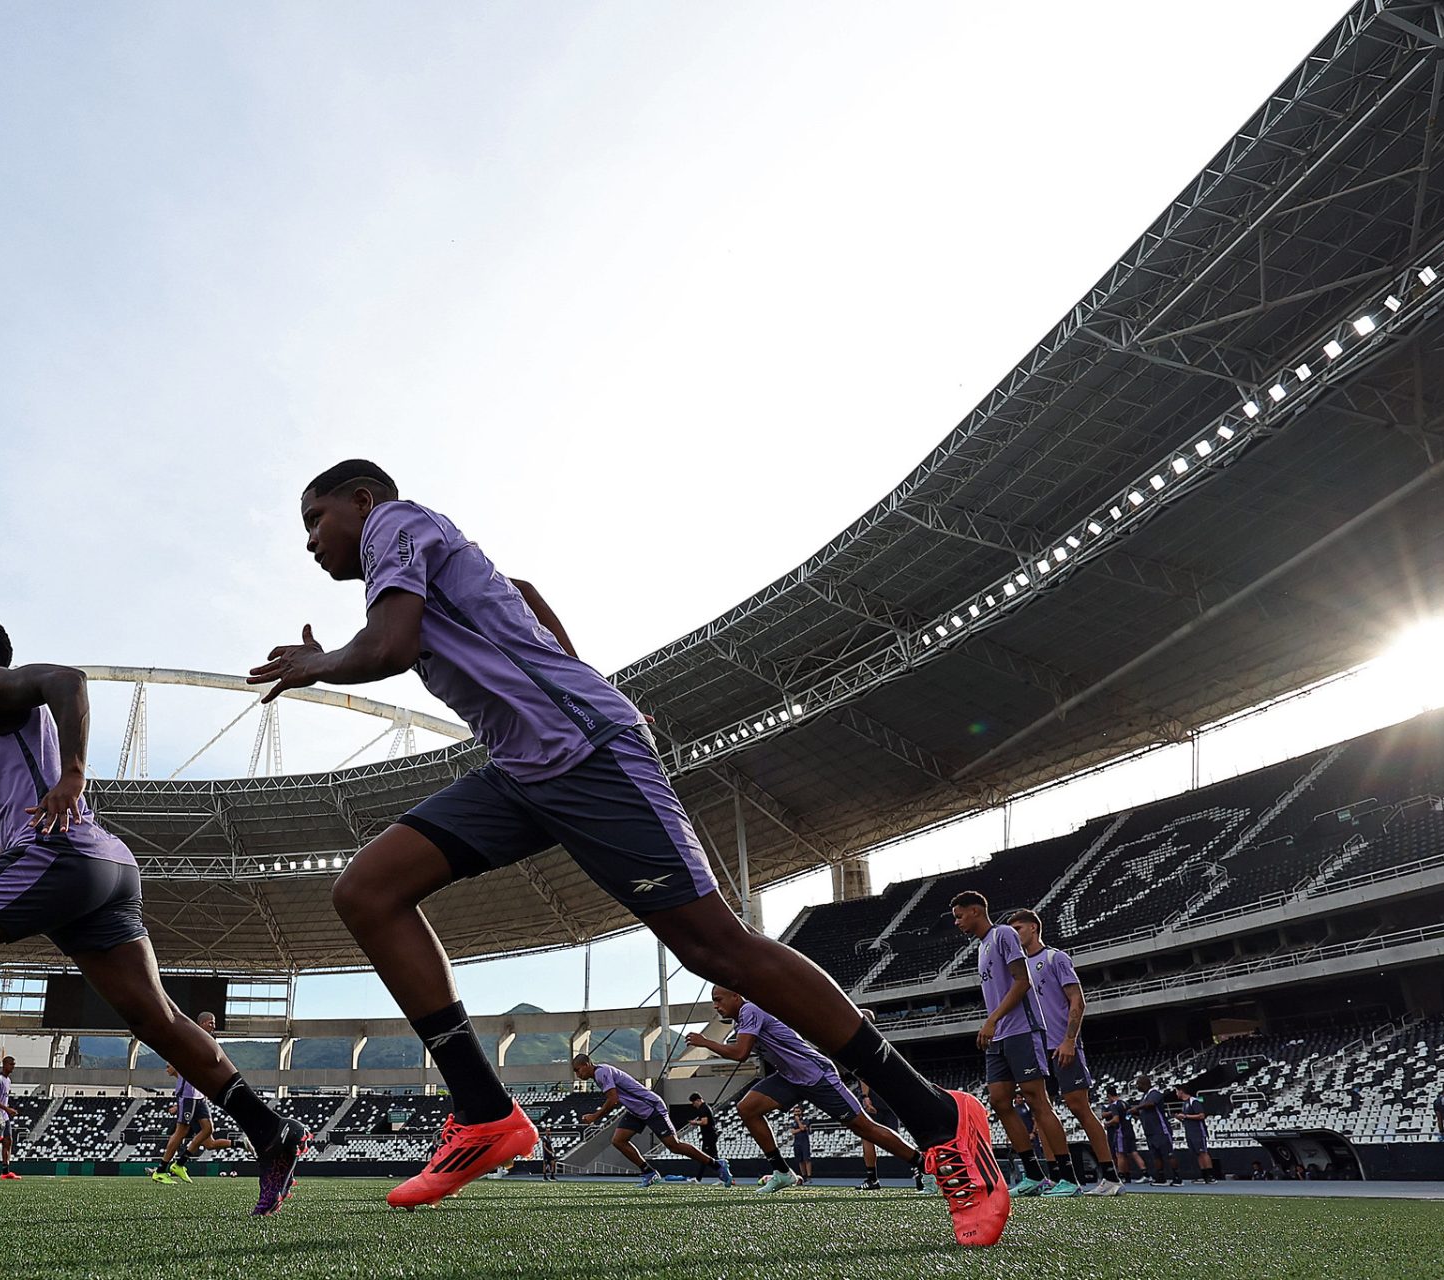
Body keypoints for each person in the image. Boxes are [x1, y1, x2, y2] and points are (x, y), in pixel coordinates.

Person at [254, 463, 1007, 1244]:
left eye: (315, 519)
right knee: (367, 892)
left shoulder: (396, 525)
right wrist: (570, 673)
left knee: (720, 950)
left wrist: (322, 664)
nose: (310, 541)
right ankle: (484, 1112)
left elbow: (391, 643)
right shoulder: (417, 549)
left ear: (362, 501)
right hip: (523, 766)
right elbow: (523, 590)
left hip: (585, 758)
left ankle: (939, 1117)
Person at [0, 615, 305, 1215]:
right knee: (159, 1020)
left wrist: (75, 773)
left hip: (57, 856)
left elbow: (69, 680)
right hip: (100, 865)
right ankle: (271, 1131)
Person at [686, 987, 924, 1195]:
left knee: (864, 1127)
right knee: (747, 1108)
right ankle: (781, 1172)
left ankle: (924, 1164)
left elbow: (740, 1053)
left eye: (719, 999)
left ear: (736, 997)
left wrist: (705, 1042)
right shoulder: (742, 1020)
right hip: (790, 1078)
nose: (716, 1006)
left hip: (815, 1075)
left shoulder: (749, 1011)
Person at [949, 891, 1074, 1198]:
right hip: (1000, 1035)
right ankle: (1033, 1175)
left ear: (976, 911)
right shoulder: (981, 948)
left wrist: (992, 1019)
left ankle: (1068, 1177)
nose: (957, 922)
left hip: (1021, 1030)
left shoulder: (1003, 934)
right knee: (999, 1100)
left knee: (1036, 1099)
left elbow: (1022, 980)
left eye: (960, 915)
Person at [1006, 908, 1120, 1195]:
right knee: (1041, 1111)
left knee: (1079, 1107)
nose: (1015, 934)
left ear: (1033, 928)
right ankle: (1056, 1177)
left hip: (1061, 1044)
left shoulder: (1056, 958)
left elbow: (1077, 1001)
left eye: (1018, 928)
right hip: (1034, 1047)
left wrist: (1069, 1041)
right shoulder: (1016, 969)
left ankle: (1110, 1177)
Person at [573, 1055, 731, 1187]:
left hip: (651, 1107)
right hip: (636, 1110)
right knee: (618, 1140)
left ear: (586, 1065)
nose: (577, 1075)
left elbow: (613, 1099)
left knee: (673, 1145)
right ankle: (649, 1172)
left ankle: (717, 1165)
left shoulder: (602, 1072)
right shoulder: (600, 1074)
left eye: (577, 1070)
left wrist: (595, 1116)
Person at [152, 1061, 234, 1183]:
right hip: (188, 1095)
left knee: (208, 1129)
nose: (167, 1069)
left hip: (199, 1096)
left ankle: (179, 1164)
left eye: (168, 1066)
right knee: (181, 1131)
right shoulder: (184, 1057)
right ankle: (160, 1171)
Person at [1133, 1076, 1181, 1186]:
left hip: (1160, 1130)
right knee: (1156, 1156)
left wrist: (1137, 1108)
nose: (1137, 1087)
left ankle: (1177, 1178)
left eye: (1138, 1084)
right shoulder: (1144, 1096)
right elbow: (1144, 1112)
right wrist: (1136, 1114)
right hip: (1150, 1131)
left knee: (1169, 1154)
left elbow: (1151, 1104)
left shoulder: (1154, 1093)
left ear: (1144, 1083)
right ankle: (1160, 1178)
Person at [0, 1056, 22, 1179]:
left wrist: (7, 1110)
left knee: (8, 1141)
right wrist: (6, 1108)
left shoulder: (8, 1081)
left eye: (14, 1064)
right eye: (11, 1064)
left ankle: (5, 1171)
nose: (13, 1066)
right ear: (5, 1064)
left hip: (4, 1116)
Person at [1100, 1087, 1143, 1181]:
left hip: (1120, 1131)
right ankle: (1144, 1173)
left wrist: (1107, 1123)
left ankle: (1121, 1175)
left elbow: (1116, 1119)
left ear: (1109, 1096)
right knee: (1132, 1152)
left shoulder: (1114, 1105)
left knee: (1120, 1154)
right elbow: (1133, 1114)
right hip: (1129, 1129)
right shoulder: (1125, 1103)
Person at [1177, 1087, 1215, 1183]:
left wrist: (1185, 1116)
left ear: (1181, 1091)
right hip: (1190, 1131)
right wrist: (1180, 1118)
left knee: (1203, 1152)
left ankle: (1210, 1176)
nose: (1176, 1093)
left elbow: (1201, 1115)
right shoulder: (1184, 1104)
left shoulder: (1193, 1101)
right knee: (1197, 1154)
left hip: (1198, 1131)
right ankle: (1203, 1175)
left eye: (1177, 1091)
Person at [684, 1092, 719, 1182]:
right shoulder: (705, 1108)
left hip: (709, 1136)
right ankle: (723, 1176)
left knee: (704, 1158)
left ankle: (698, 1178)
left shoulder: (703, 1108)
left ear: (698, 1100)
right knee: (711, 1158)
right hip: (709, 1136)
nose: (693, 1105)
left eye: (694, 1102)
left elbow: (704, 1122)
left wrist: (694, 1122)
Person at [789, 1105, 814, 1185]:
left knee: (807, 1159)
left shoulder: (806, 1120)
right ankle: (803, 1176)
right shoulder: (792, 1121)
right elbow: (793, 1131)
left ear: (802, 1112)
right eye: (795, 1112)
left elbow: (803, 1128)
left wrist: (799, 1123)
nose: (796, 1113)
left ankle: (809, 1176)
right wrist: (800, 1129)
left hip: (804, 1141)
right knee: (800, 1160)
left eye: (798, 1111)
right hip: (797, 1142)